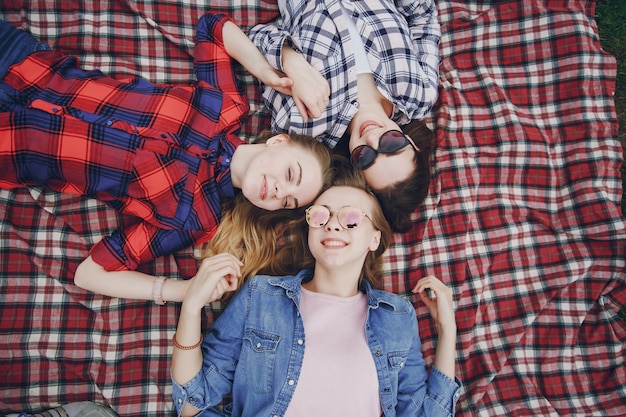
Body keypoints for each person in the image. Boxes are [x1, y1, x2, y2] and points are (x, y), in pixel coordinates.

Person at [0, 16, 334, 301]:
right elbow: (213, 29)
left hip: (10, 149)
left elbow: (89, 274)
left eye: (289, 201)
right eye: (291, 173)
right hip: (22, 62)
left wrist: (185, 290)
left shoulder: (192, 218)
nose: (279, 192)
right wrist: (271, 72)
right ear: (278, 141)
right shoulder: (225, 106)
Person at [170, 172, 461, 416]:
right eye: (320, 215)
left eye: (351, 218)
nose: (332, 224)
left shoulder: (397, 316)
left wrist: (447, 331)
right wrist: (192, 306)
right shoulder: (261, 297)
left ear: (375, 239)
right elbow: (193, 402)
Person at [248, 0, 441, 231]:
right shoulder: (420, 94)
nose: (371, 138)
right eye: (392, 144)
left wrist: (291, 61)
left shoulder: (305, 122)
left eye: (366, 157)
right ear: (412, 144)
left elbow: (258, 38)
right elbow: (423, 19)